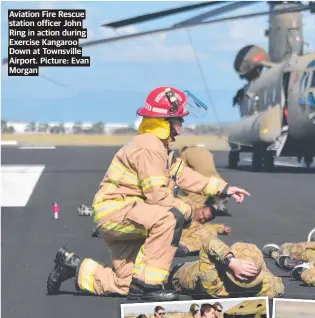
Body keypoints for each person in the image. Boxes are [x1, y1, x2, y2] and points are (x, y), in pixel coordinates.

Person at [46, 87, 250, 301]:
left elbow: (182, 174)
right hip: (118, 213)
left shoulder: (158, 148)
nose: (181, 127)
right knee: (169, 218)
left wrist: (223, 188)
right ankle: (151, 287)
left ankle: (73, 267)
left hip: (130, 215)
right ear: (164, 121)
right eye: (178, 120)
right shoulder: (149, 146)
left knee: (125, 284)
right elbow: (158, 197)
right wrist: (190, 213)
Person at [168, 237, 284, 299]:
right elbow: (208, 242)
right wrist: (230, 261)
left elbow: (277, 286)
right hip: (180, 274)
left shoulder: (269, 287)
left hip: (214, 263)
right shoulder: (214, 284)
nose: (244, 285)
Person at [175, 146, 230, 216]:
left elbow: (180, 170)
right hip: (217, 179)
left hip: (204, 181)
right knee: (222, 190)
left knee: (192, 204)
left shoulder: (185, 153)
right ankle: (219, 205)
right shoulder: (205, 151)